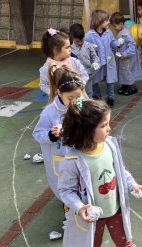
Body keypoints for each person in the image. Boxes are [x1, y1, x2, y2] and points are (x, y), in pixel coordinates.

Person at [58, 99, 142, 247]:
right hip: (92, 218)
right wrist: (80, 207)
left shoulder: (110, 145)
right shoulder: (72, 160)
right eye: (104, 125)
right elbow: (65, 190)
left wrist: (132, 185)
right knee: (92, 245)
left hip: (115, 209)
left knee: (125, 243)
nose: (109, 129)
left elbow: (120, 170)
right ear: (86, 130)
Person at [33, 65, 84, 199]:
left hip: (79, 154)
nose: (74, 101)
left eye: (78, 97)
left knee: (80, 181)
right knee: (64, 185)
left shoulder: (83, 106)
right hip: (61, 157)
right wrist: (51, 135)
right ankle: (68, 206)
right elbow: (37, 134)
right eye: (70, 97)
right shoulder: (49, 113)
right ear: (59, 93)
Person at [39, 28, 88, 96]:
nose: (70, 50)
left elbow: (84, 75)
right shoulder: (46, 68)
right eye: (67, 47)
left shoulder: (74, 62)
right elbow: (44, 85)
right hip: (59, 101)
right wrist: (55, 93)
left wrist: (80, 85)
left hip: (78, 97)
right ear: (56, 50)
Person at [85, 10, 119, 107]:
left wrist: (118, 44)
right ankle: (97, 96)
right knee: (94, 79)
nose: (109, 22)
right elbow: (85, 47)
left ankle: (111, 98)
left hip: (109, 60)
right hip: (97, 62)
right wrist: (91, 47)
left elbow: (113, 42)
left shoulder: (108, 32)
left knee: (110, 80)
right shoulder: (89, 35)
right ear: (99, 21)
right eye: (106, 20)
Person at [110, 12, 142, 96]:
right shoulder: (120, 32)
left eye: (114, 26)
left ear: (121, 24)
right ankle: (125, 85)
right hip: (122, 57)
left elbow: (132, 47)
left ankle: (131, 87)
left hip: (128, 58)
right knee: (122, 71)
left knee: (128, 71)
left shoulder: (127, 34)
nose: (114, 28)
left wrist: (124, 54)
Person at [70, 23, 101, 98]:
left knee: (89, 92)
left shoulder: (88, 45)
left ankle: (89, 107)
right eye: (77, 41)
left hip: (88, 74)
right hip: (76, 76)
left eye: (82, 40)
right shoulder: (69, 48)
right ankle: (80, 108)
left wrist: (96, 63)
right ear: (73, 38)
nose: (80, 43)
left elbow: (95, 57)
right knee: (78, 94)